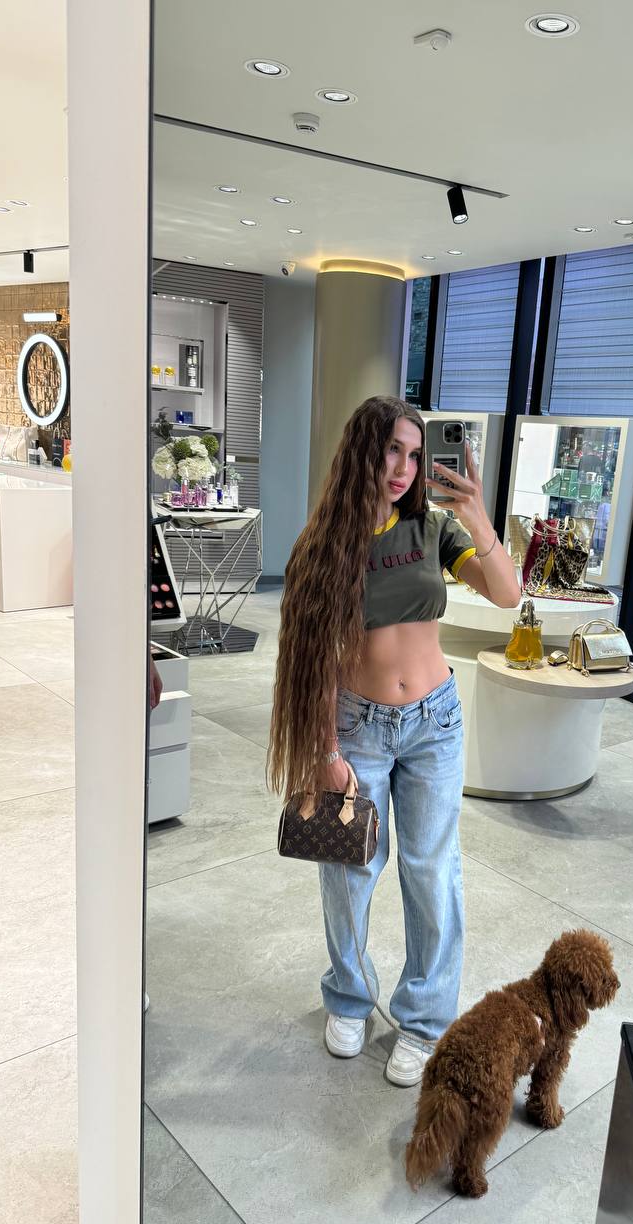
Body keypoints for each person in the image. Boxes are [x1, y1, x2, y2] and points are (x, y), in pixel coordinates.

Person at [267, 395, 520, 1087]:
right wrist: (325, 750)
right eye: (392, 450)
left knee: (431, 871)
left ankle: (425, 1018)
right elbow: (314, 661)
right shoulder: (325, 545)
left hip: (435, 724)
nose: (405, 467)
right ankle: (349, 997)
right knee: (350, 870)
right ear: (364, 452)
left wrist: (476, 514)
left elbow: (507, 593)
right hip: (359, 726)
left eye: (414, 453)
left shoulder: (436, 529)